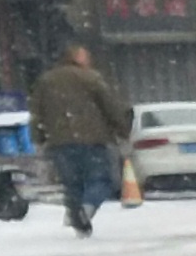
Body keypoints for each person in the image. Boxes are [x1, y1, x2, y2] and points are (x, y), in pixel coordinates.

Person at [26, 41, 132, 238]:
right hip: (92, 139)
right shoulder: (90, 78)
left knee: (71, 183)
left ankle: (78, 221)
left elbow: (36, 112)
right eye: (85, 55)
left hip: (58, 141)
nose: (89, 59)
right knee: (100, 179)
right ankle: (86, 209)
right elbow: (110, 106)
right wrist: (122, 128)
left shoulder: (45, 80)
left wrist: (38, 138)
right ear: (76, 58)